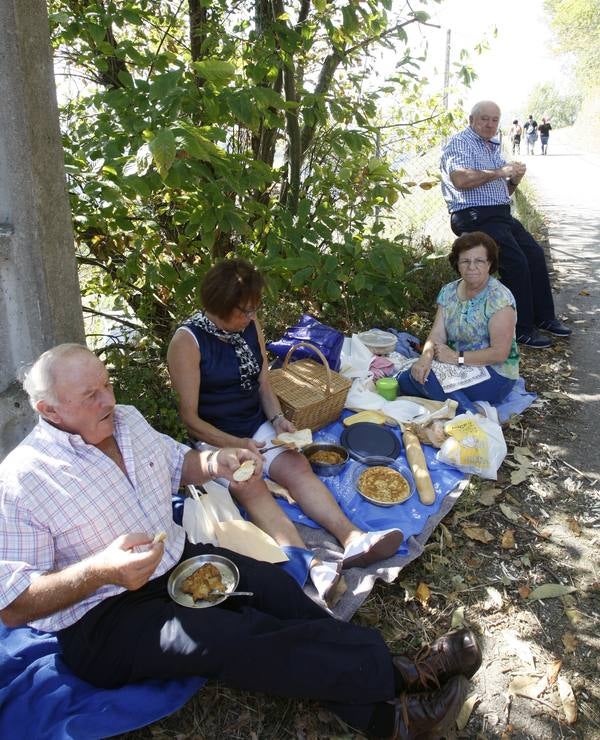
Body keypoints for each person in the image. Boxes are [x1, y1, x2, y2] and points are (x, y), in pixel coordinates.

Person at [0, 344, 481, 739]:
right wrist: (100, 569)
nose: (108, 399)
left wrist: (216, 463)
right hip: (104, 617)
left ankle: (380, 703)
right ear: (50, 410)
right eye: (91, 395)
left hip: (178, 560)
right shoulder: (23, 481)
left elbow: (175, 465)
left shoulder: (125, 420)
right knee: (231, 636)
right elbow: (14, 606)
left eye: (107, 383)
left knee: (275, 590)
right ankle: (399, 686)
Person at [167, 259, 402, 603]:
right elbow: (190, 419)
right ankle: (307, 564)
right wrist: (238, 445)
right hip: (215, 438)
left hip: (254, 426)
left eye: (254, 310)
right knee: (251, 487)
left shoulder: (250, 324)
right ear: (219, 305)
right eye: (245, 311)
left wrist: (277, 419)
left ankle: (353, 539)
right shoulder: (187, 342)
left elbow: (264, 381)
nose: (252, 316)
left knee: (296, 465)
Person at [440, 100, 571, 349]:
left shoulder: (491, 147)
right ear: (472, 120)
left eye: (494, 120)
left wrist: (514, 180)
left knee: (534, 254)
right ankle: (521, 330)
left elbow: (501, 192)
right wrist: (500, 171)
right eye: (484, 119)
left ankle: (544, 317)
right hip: (473, 214)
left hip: (499, 214)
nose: (490, 124)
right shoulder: (460, 143)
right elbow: (459, 179)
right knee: (516, 261)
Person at [397, 233, 519, 412]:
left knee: (427, 380)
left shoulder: (499, 298)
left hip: (494, 374)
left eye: (479, 261)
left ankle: (470, 417)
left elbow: (500, 354)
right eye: (465, 261)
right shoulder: (449, 291)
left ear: (490, 264)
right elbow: (437, 334)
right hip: (454, 366)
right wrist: (425, 359)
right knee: (406, 378)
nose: (472, 267)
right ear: (458, 264)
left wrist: (456, 357)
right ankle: (456, 403)